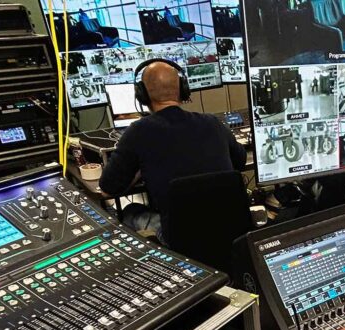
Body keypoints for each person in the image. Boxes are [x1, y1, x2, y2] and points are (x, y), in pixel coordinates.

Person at [99, 60, 247, 241]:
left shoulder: (138, 132)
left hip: (181, 240)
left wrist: (138, 172)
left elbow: (108, 189)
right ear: (182, 90)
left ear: (142, 95)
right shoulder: (213, 123)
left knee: (129, 211)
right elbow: (240, 161)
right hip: (232, 232)